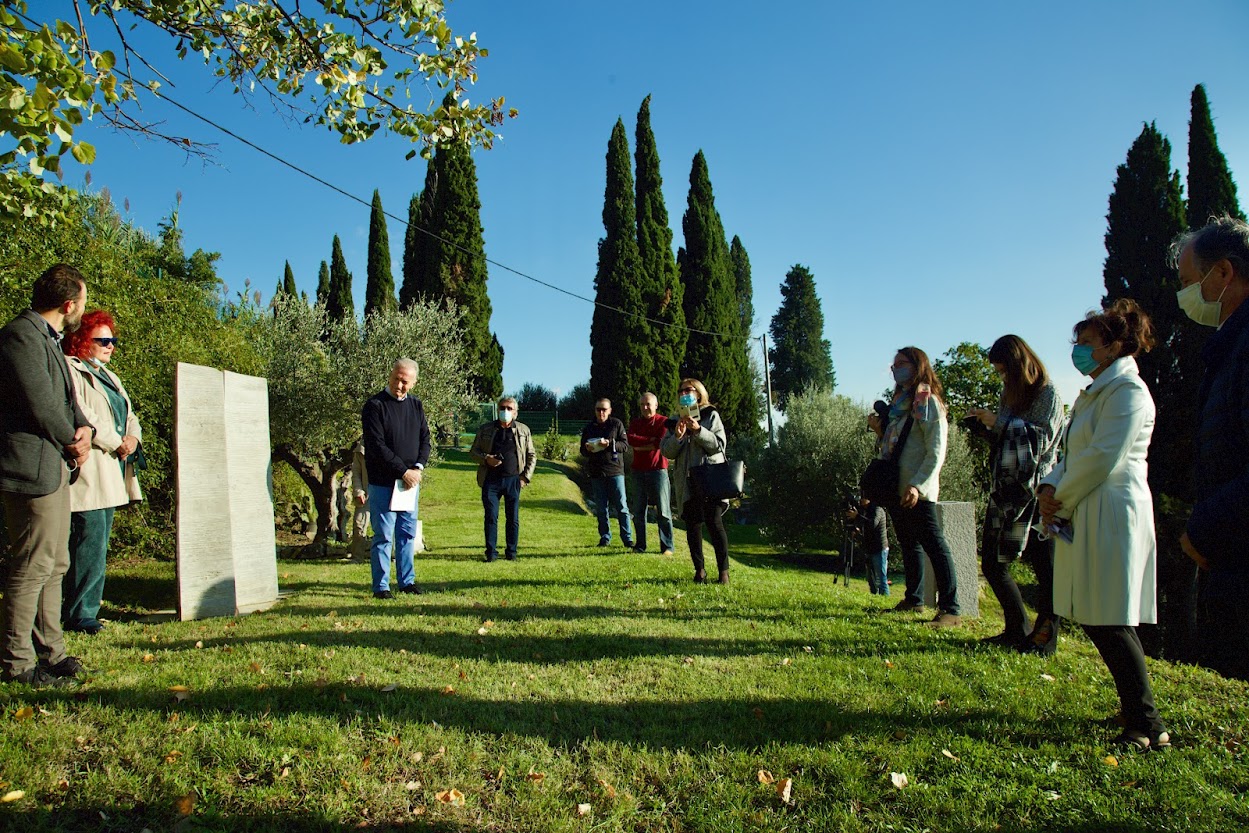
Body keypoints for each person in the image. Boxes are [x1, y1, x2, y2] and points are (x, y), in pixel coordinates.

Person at [1038, 299, 1167, 750]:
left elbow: (1101, 460)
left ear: (1113, 346)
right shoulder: (1096, 393)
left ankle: (1147, 725)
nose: (1080, 351)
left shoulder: (1129, 394)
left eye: (1087, 343)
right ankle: (1135, 708)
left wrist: (1060, 497)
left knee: (1110, 616)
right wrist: (1049, 486)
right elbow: (1073, 455)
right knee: (1098, 615)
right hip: (1087, 506)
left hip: (1112, 511)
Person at [0, 264, 93, 687]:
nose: (82, 310)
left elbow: (67, 400)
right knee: (32, 564)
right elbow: (40, 401)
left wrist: (84, 428)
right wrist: (71, 439)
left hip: (54, 465)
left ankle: (50, 652)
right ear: (68, 304)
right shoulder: (20, 335)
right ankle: (18, 662)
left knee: (56, 562)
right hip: (30, 466)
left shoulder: (50, 340)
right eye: (83, 302)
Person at [1171, 216, 1249, 681]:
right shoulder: (1229, 346)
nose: (1185, 295)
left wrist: (1204, 527)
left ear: (1223, 274)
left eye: (1188, 282)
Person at [968, 335, 1064, 654]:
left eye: (1004, 370)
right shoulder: (1009, 394)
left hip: (1038, 491)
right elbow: (1008, 439)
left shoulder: (1048, 393)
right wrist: (985, 428)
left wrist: (1001, 423)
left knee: (1045, 570)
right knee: (995, 562)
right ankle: (1016, 627)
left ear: (1019, 364)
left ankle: (1045, 639)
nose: (1002, 378)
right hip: (1006, 489)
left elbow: (1043, 441)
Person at [62, 310, 144, 635]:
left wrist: (133, 439)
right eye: (103, 340)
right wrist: (117, 442)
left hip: (111, 469)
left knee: (97, 543)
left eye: (113, 340)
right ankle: (80, 615)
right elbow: (85, 415)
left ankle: (86, 610)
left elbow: (129, 413)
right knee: (88, 542)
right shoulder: (72, 369)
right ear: (82, 339)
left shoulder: (110, 376)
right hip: (91, 470)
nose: (110, 346)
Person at [868, 347, 961, 626]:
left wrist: (918, 485)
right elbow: (898, 445)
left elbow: (936, 450)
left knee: (934, 544)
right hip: (898, 486)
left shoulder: (927, 401)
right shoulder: (901, 404)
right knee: (909, 544)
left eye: (902, 363)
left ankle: (951, 609)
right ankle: (914, 599)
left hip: (917, 488)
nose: (896, 369)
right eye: (894, 365)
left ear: (918, 365)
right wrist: (879, 431)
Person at [361, 359, 431, 599]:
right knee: (383, 536)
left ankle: (406, 581)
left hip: (410, 483)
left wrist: (418, 468)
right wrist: (404, 471)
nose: (400, 385)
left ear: (413, 382)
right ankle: (381, 586)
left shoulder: (416, 406)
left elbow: (425, 440)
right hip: (384, 482)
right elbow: (377, 446)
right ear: (390, 375)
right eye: (397, 378)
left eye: (405, 381)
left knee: (407, 534)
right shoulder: (375, 406)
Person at [661, 379, 731, 584]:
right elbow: (666, 451)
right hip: (687, 481)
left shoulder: (711, 415)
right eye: (681, 391)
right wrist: (678, 437)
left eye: (689, 390)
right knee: (692, 526)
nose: (684, 393)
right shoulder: (673, 421)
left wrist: (699, 430)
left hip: (710, 479)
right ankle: (699, 571)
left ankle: (723, 573)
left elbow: (719, 445)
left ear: (699, 392)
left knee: (715, 524)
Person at [469, 397, 536, 562]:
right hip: (490, 481)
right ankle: (491, 553)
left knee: (512, 518)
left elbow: (531, 455)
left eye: (509, 408)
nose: (505, 411)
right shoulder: (486, 429)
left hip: (514, 479)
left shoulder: (523, 430)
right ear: (497, 409)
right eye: (502, 408)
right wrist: (486, 459)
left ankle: (511, 552)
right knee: (491, 516)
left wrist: (525, 477)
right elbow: (473, 452)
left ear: (515, 412)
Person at [580, 399, 634, 548]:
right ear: (595, 410)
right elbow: (582, 450)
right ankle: (605, 537)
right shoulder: (590, 427)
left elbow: (625, 445)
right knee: (601, 508)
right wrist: (587, 448)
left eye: (604, 409)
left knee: (622, 507)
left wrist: (610, 444)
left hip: (615, 471)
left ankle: (627, 538)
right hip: (597, 472)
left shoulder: (616, 424)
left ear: (610, 410)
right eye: (598, 409)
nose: (601, 412)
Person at [626, 392, 675, 555]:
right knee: (638, 511)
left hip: (658, 470)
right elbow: (630, 440)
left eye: (648, 404)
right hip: (638, 470)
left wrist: (643, 444)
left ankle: (667, 546)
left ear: (656, 405)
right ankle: (640, 545)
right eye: (642, 405)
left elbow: (660, 443)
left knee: (663, 510)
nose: (645, 408)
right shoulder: (635, 422)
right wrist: (650, 441)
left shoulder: (664, 422)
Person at [846, 497, 889, 595]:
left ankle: (885, 599)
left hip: (879, 548)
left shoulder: (877, 509)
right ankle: (874, 597)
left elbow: (872, 524)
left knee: (881, 578)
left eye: (863, 498)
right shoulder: (866, 511)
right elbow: (865, 525)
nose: (860, 500)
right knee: (871, 578)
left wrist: (857, 516)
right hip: (870, 548)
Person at [348, 437, 370, 560]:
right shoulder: (361, 447)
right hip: (366, 492)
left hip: (385, 492)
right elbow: (356, 471)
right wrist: (358, 491)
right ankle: (357, 557)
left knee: (387, 527)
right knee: (358, 524)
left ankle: (391, 556)